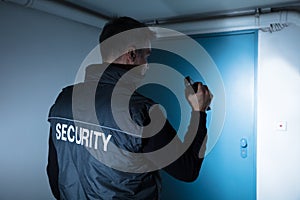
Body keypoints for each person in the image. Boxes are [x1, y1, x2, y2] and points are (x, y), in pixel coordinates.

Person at [47, 16, 212, 200]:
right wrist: (199, 112)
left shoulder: (64, 99)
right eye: (146, 56)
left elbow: (54, 173)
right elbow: (187, 170)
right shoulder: (140, 111)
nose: (147, 66)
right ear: (131, 54)